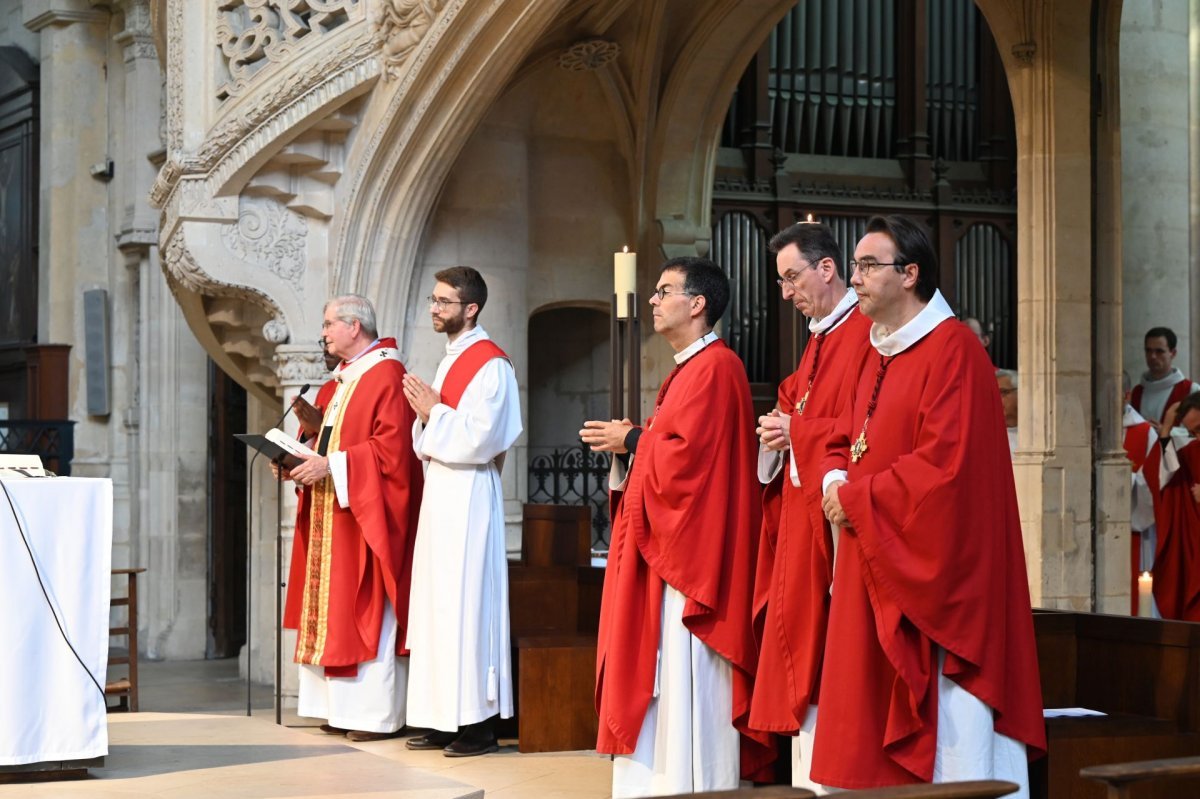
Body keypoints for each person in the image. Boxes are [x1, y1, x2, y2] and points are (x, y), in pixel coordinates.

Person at [816, 215, 1045, 793]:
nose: (856, 278)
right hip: (876, 553)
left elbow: (946, 468)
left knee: (949, 725)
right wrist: (834, 480)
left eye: (869, 265)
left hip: (940, 579)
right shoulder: (875, 351)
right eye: (856, 265)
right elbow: (847, 435)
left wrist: (858, 498)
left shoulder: (956, 350)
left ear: (910, 273)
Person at [582, 256, 772, 797]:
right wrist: (637, 441)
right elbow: (674, 448)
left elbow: (690, 462)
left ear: (698, 304)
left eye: (664, 291)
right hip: (674, 548)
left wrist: (634, 443)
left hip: (693, 560)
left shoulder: (717, 367)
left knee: (686, 675)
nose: (652, 300)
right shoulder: (687, 370)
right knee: (663, 673)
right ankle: (665, 778)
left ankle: (694, 781)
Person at [749, 222, 871, 790]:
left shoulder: (866, 334)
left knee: (831, 649)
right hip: (805, 514)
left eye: (791, 277)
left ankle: (834, 774)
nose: (786, 292)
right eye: (780, 282)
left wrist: (795, 431)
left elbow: (863, 429)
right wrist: (782, 428)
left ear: (827, 269)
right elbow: (798, 399)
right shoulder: (821, 336)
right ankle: (810, 776)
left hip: (839, 521)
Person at [279, 294, 424, 742]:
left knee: (365, 608)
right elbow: (333, 438)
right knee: (330, 607)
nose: (323, 333)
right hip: (331, 513)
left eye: (328, 324)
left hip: (364, 519)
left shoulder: (386, 374)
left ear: (354, 326)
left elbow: (394, 452)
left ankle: (371, 715)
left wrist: (333, 465)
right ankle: (335, 708)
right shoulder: (341, 380)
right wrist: (296, 455)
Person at [401, 266, 522, 757]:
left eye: (445, 302)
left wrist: (434, 413)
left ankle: (478, 723)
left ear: (471, 309)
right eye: (433, 299)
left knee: (469, 605)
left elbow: (484, 438)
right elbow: (432, 432)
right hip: (442, 492)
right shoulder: (452, 359)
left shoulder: (490, 364)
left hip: (471, 494)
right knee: (437, 606)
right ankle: (442, 717)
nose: (435, 308)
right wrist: (427, 418)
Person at [1144, 392, 1200, 620]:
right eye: (1192, 432)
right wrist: (1166, 429)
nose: (1197, 437)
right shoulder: (1192, 452)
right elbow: (1164, 478)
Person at [1121, 371, 1157, 616]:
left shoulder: (1145, 432)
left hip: (1134, 528)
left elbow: (1153, 482)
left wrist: (1123, 480)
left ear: (1126, 395)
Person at [1132, 327, 1200, 428]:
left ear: (1173, 353)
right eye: (1148, 351)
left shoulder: (1191, 390)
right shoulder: (1137, 392)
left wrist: (1166, 432)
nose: (1153, 356)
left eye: (1159, 351)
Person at [996, 368, 1019, 454]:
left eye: (1003, 392)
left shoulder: (1037, 433)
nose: (996, 399)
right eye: (993, 393)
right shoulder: (985, 435)